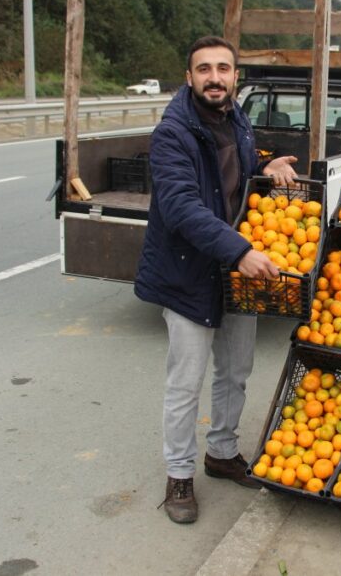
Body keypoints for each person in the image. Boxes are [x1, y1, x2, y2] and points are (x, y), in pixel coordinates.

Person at [134, 35, 298, 524]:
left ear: (234, 77)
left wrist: (263, 166)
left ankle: (222, 452)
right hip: (189, 271)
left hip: (233, 273)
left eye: (223, 69)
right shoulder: (172, 134)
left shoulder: (236, 120)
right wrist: (241, 250)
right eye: (204, 69)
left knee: (235, 371)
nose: (214, 77)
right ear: (189, 78)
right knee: (185, 383)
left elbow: (237, 172)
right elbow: (182, 206)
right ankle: (179, 475)